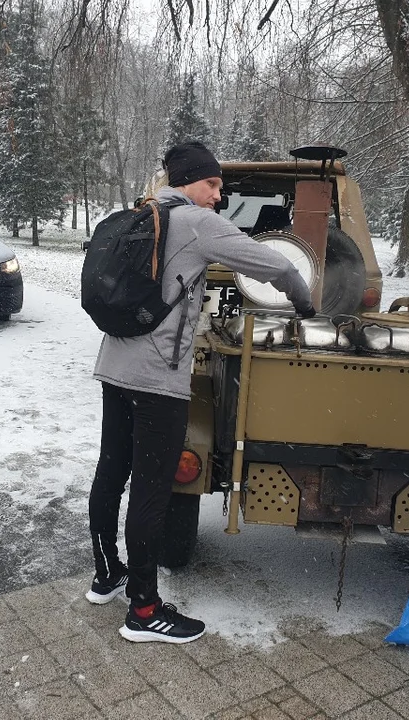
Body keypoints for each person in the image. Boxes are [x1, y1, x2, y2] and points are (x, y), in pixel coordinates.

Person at [87, 141, 316, 644]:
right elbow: (274, 266)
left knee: (111, 472)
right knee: (152, 490)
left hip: (115, 365)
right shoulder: (196, 223)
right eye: (212, 184)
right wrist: (305, 303)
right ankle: (144, 611)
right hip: (158, 382)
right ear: (190, 181)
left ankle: (108, 576)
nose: (219, 194)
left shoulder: (144, 212)